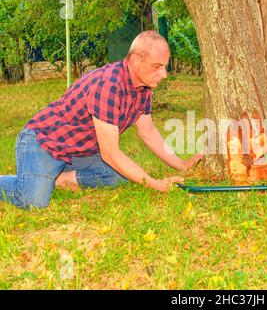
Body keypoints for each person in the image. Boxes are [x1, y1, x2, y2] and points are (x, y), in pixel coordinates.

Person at [0, 31, 203, 210]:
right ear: (135, 60)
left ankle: (59, 178)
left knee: (121, 175)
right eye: (157, 66)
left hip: (80, 152)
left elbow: (148, 132)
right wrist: (154, 184)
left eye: (164, 67)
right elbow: (110, 153)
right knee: (33, 201)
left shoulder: (143, 89)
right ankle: (35, 177)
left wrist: (181, 165)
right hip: (43, 142)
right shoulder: (109, 85)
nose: (164, 74)